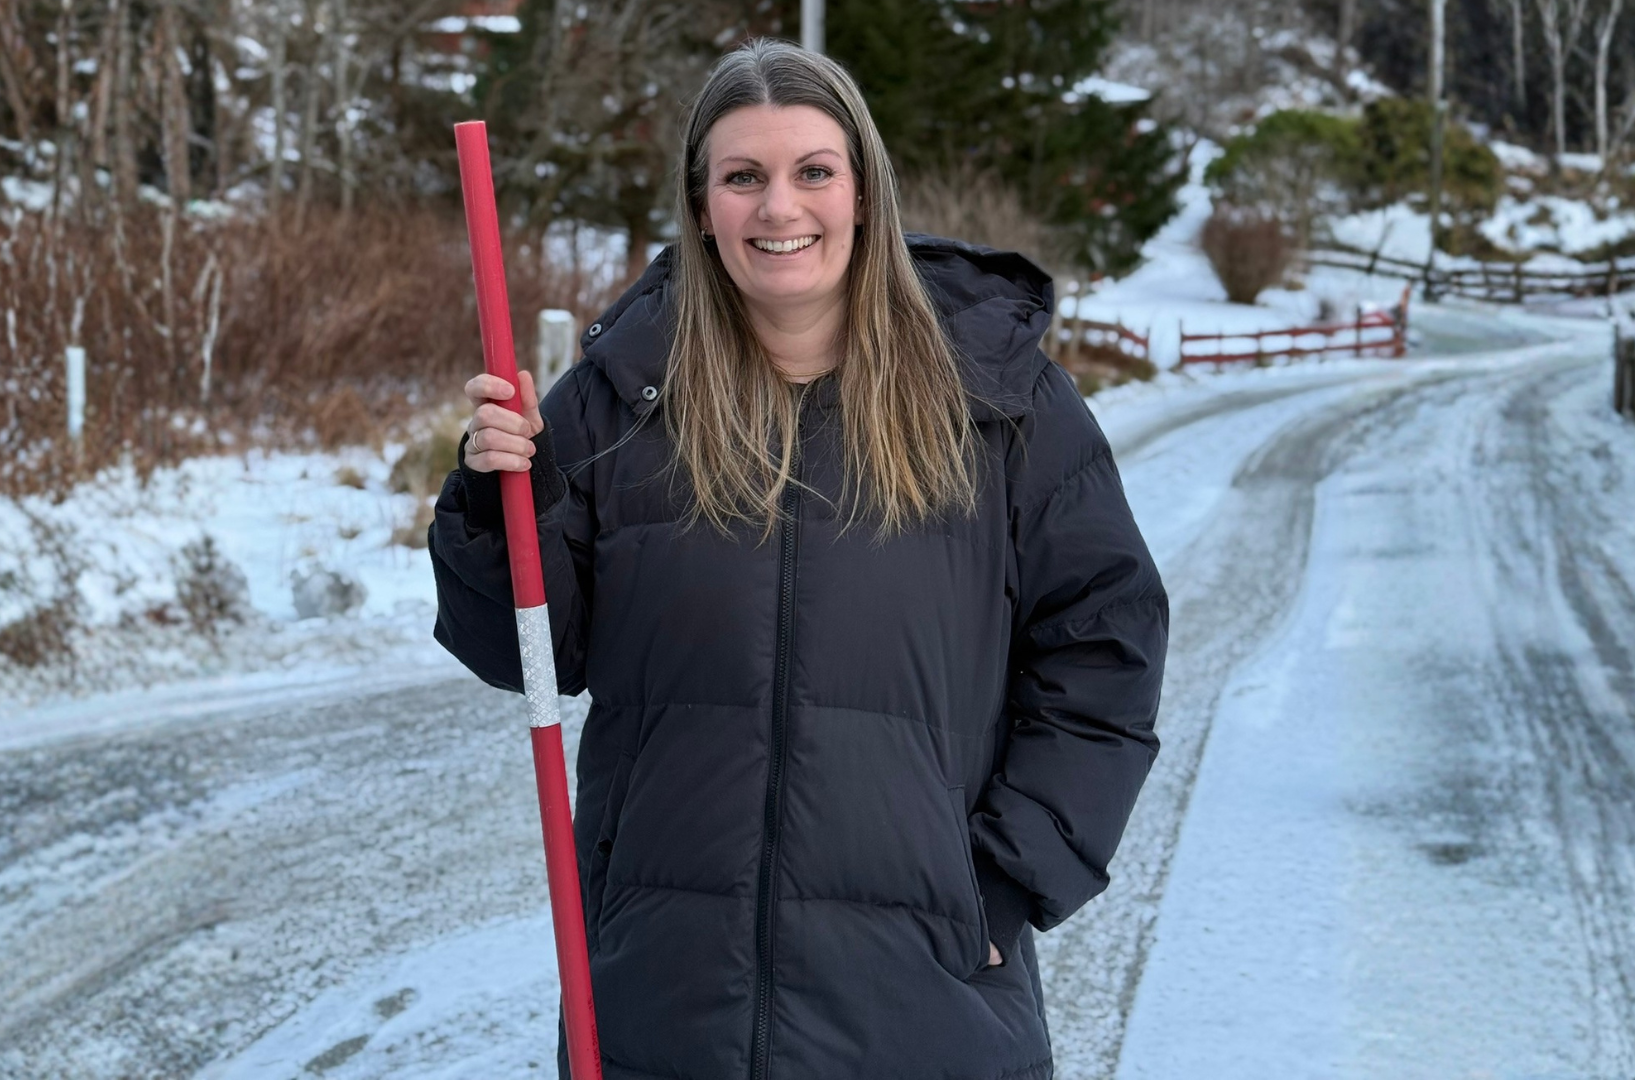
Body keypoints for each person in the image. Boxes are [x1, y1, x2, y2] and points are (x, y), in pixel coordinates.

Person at [429, 38, 1168, 1080]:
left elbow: (1106, 650)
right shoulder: (617, 398)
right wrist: (492, 495)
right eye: (743, 177)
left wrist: (1005, 881)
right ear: (700, 208)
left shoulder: (998, 403)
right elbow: (528, 655)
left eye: (812, 171)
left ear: (862, 192)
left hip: (924, 1007)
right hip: (664, 1001)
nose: (780, 209)